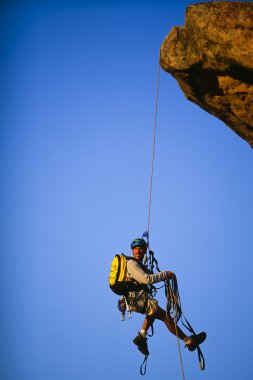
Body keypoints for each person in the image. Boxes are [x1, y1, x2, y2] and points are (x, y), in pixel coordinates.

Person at [125, 238, 206, 356]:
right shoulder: (132, 264)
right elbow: (147, 279)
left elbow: (147, 277)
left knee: (152, 312)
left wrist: (155, 275)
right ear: (132, 251)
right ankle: (188, 340)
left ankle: (142, 336)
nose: (138, 251)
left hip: (134, 300)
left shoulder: (137, 265)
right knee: (165, 317)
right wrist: (165, 275)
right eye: (135, 249)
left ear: (144, 251)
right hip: (136, 299)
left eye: (140, 249)